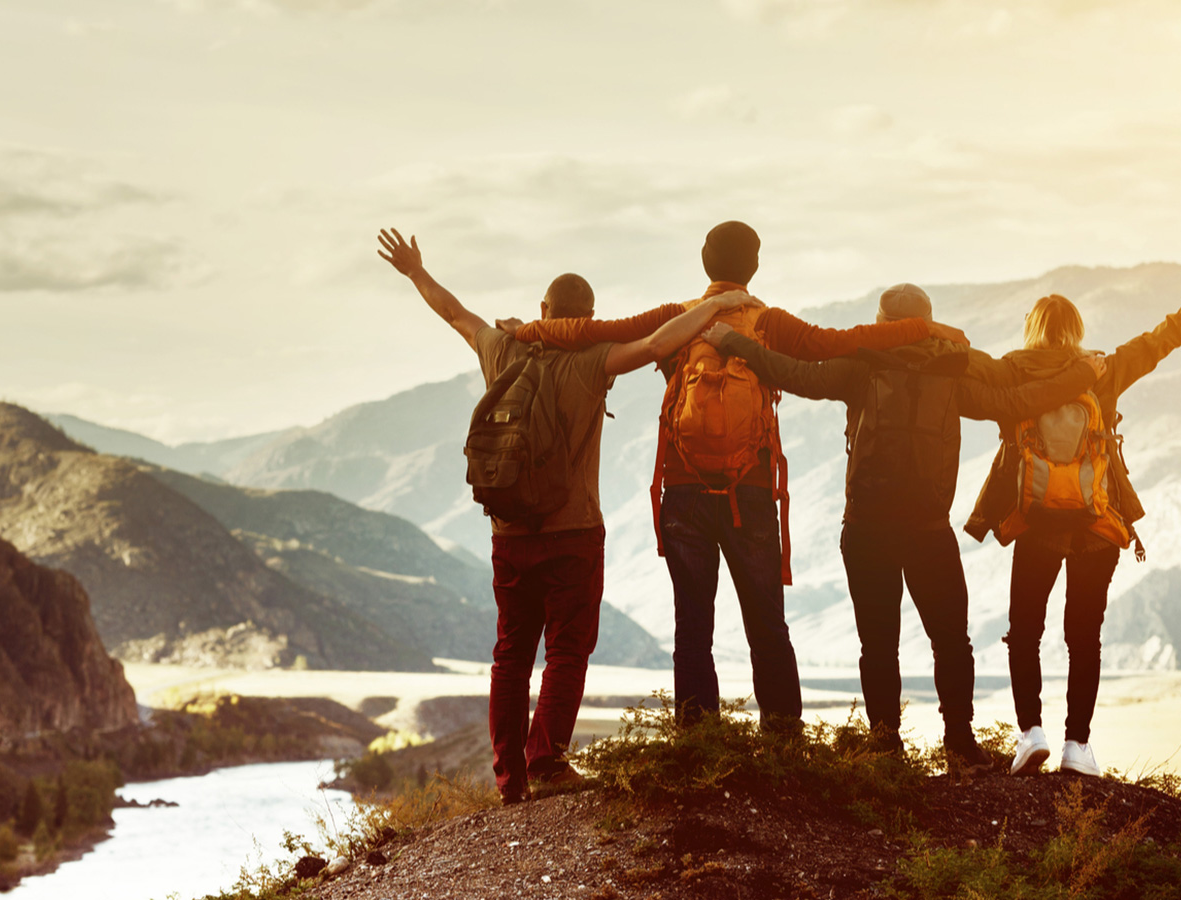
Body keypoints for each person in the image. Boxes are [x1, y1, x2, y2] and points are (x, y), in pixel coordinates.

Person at [500, 222, 970, 731]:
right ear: (755, 266)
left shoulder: (676, 320)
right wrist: (922, 329)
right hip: (751, 488)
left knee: (693, 626)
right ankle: (784, 738)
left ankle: (699, 740)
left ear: (705, 262)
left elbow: (594, 331)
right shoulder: (769, 322)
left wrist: (528, 330)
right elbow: (848, 341)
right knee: (767, 620)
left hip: (683, 487)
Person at [376, 227, 762, 804]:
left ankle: (509, 777)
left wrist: (415, 271)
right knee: (566, 649)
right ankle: (547, 760)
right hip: (573, 532)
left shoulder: (501, 349)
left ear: (543, 311)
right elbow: (658, 345)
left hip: (508, 533)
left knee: (510, 654)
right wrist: (713, 307)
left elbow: (454, 312)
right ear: (588, 318)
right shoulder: (592, 361)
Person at [704, 283, 1104, 768]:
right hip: (929, 529)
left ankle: (886, 745)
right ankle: (959, 742)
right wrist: (1082, 373)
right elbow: (1017, 402)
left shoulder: (861, 365)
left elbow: (793, 373)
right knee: (952, 640)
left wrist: (733, 341)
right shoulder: (949, 370)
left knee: (877, 645)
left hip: (867, 526)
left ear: (881, 320)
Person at [965, 293, 1181, 777]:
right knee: (1084, 638)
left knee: (1024, 631)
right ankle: (1078, 746)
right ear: (1077, 329)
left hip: (1038, 524)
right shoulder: (1102, 369)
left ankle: (1031, 734)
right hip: (1096, 528)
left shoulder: (1012, 369)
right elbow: (1159, 341)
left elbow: (967, 373)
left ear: (1033, 330)